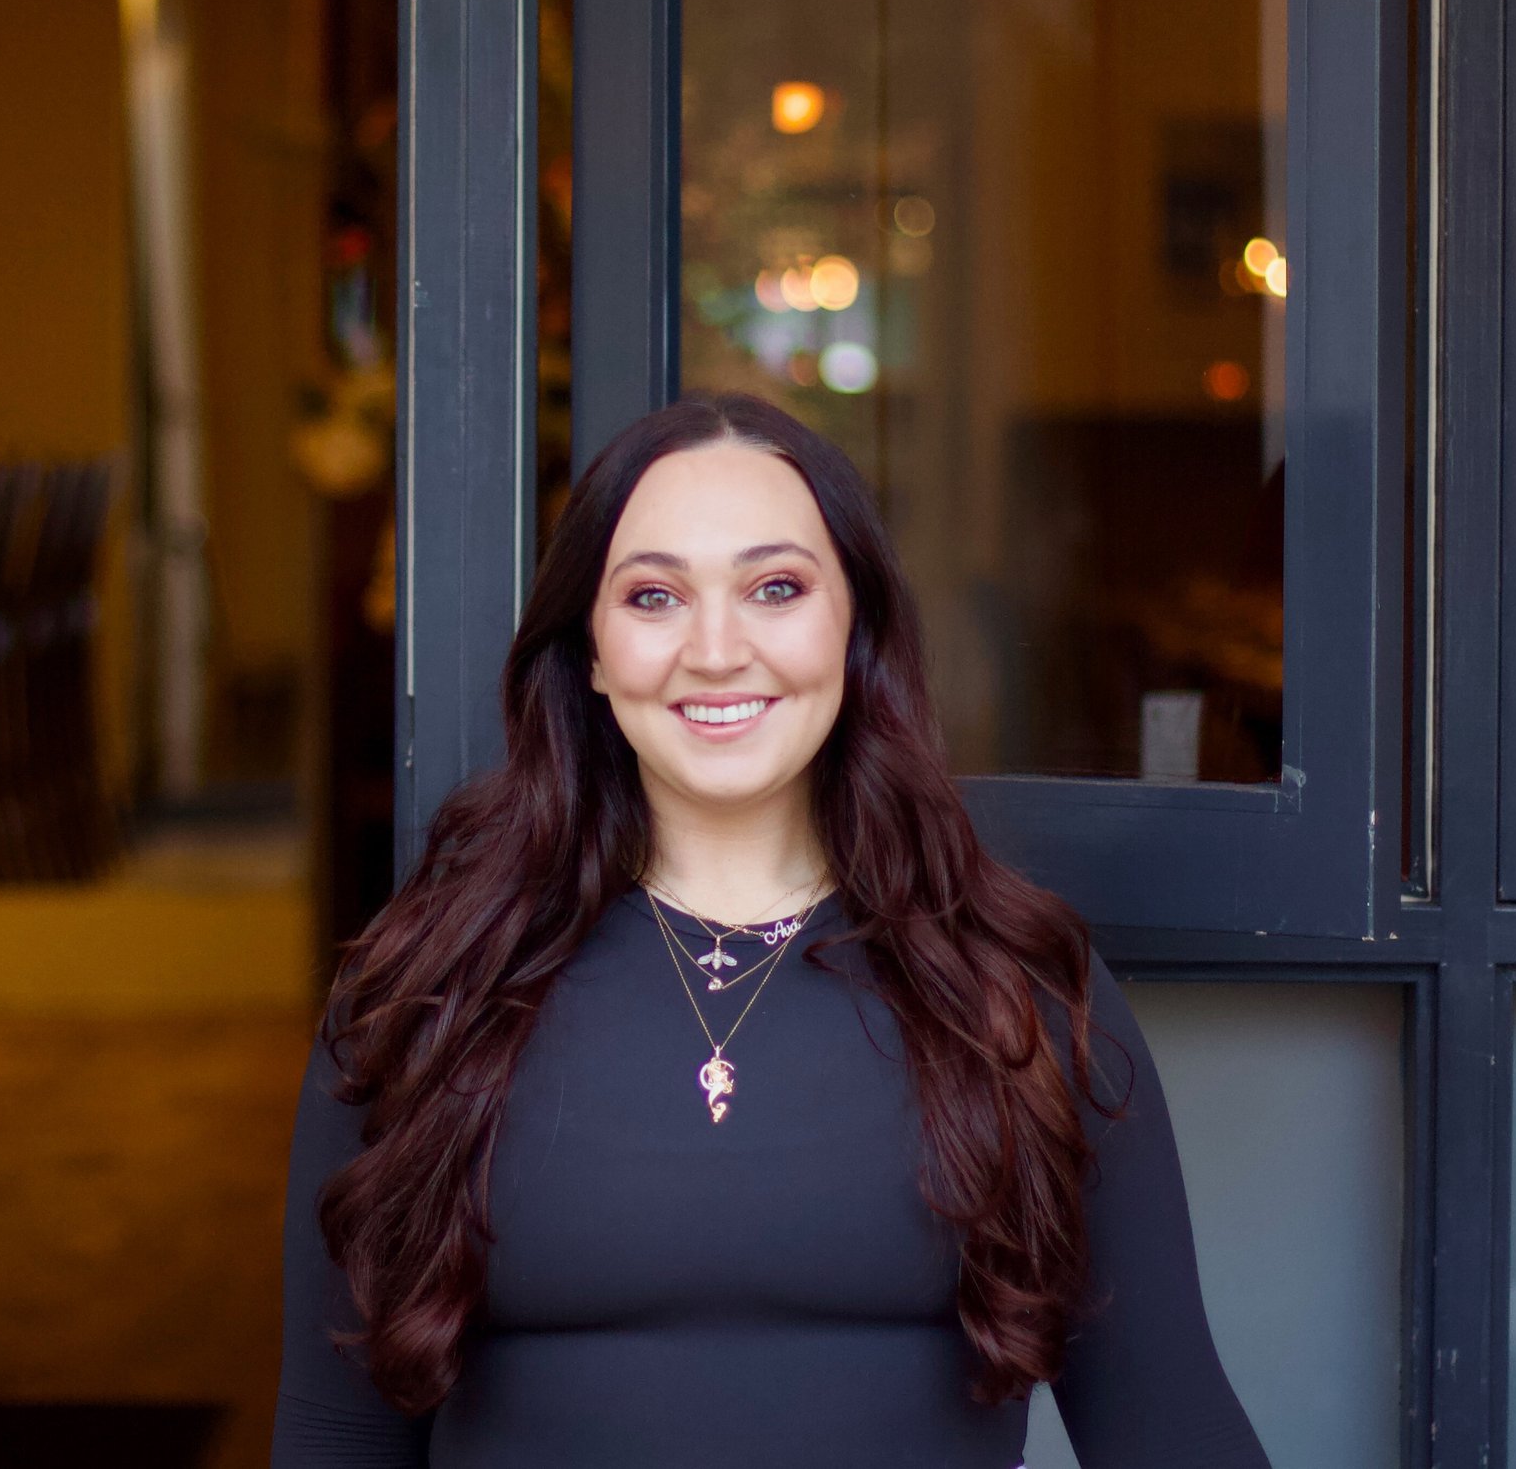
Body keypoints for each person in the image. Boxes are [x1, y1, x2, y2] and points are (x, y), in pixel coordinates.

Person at [271, 391, 1269, 1468]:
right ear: (592, 651)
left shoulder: (1014, 991)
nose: (715, 648)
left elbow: (1172, 1427)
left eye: (776, 587)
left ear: (856, 630)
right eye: (653, 595)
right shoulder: (428, 990)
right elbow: (336, 1434)